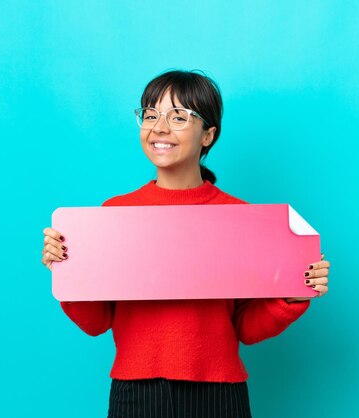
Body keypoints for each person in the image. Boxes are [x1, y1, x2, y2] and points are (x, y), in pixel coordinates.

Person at [41, 69, 331, 418]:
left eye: (178, 117)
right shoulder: (114, 213)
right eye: (150, 115)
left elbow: (245, 329)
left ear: (208, 134)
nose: (159, 128)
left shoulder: (240, 217)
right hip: (135, 391)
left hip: (219, 392)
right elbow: (96, 322)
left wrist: (290, 297)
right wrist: (68, 273)